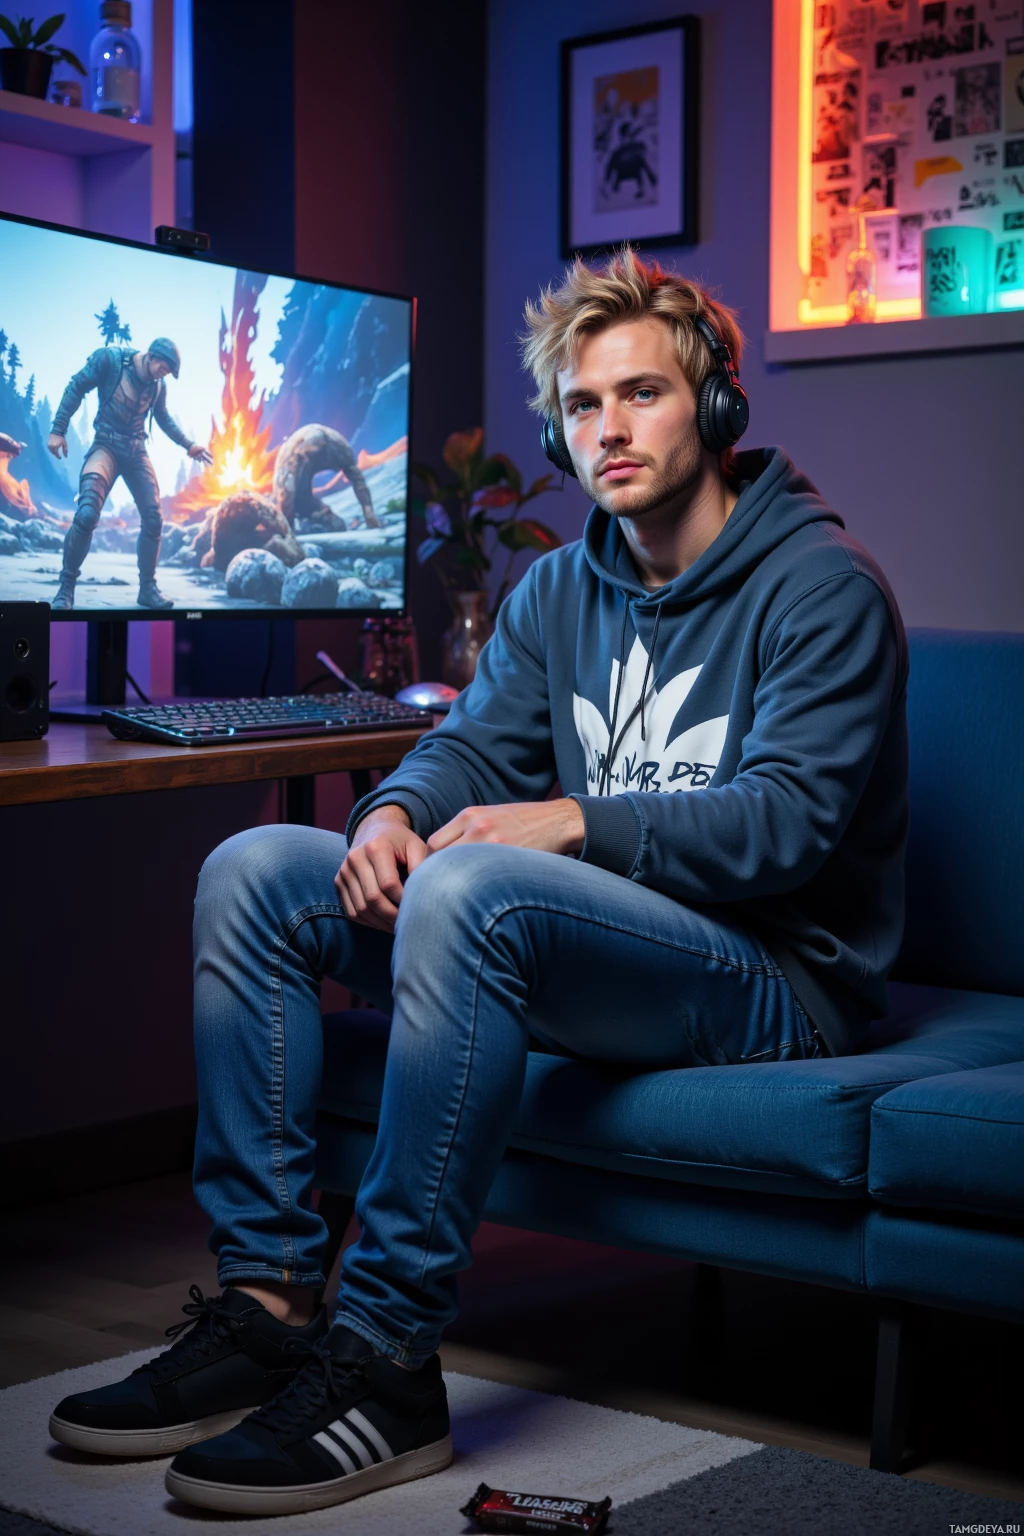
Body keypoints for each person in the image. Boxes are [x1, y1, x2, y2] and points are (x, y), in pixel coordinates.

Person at [49, 248, 908, 1516]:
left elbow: (786, 829)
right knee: (257, 872)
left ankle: (389, 1358)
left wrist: (567, 820)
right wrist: (394, 810)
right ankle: (272, 1307)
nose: (607, 428)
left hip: (773, 977)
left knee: (477, 892)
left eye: (642, 394)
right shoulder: (562, 587)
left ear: (716, 406)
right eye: (580, 406)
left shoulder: (822, 589)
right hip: (614, 957)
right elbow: (465, 747)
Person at [49, 338, 212, 610]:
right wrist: (58, 428)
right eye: (163, 366)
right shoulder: (110, 360)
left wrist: (189, 445)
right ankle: (65, 589)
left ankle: (147, 589)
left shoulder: (158, 387)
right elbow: (77, 385)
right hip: (106, 446)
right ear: (150, 355)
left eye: (169, 371)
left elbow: (163, 418)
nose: (164, 373)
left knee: (154, 518)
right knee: (87, 513)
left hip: (136, 451)